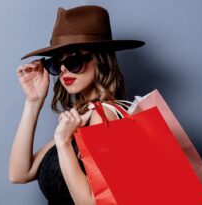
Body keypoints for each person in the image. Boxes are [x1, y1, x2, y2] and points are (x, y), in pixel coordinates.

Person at [9, 5, 144, 205]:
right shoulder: (80, 117)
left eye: (74, 61)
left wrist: (63, 142)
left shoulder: (104, 115)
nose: (64, 70)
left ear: (101, 60)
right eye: (57, 63)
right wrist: (33, 102)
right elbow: (19, 174)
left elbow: (93, 203)